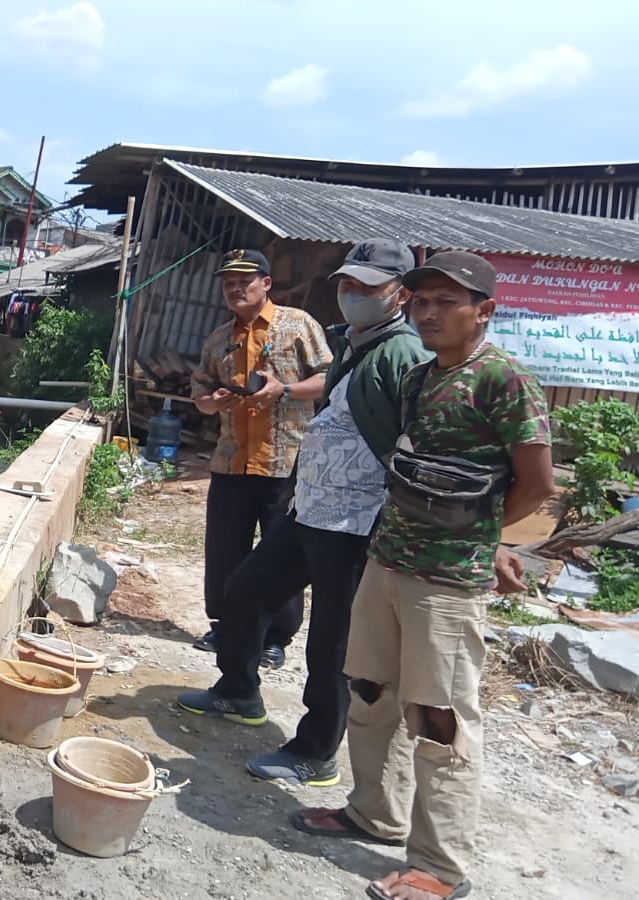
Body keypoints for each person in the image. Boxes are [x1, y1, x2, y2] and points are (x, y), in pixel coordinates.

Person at [290, 251, 555, 900]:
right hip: (387, 561)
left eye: (447, 302)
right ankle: (373, 812)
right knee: (372, 694)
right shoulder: (418, 376)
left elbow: (537, 486)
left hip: (447, 586)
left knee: (439, 721)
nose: (429, 312)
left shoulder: (504, 381)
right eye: (421, 300)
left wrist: (484, 540)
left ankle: (439, 868)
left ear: (483, 312)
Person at [177, 240, 431, 788]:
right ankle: (238, 691)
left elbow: (413, 443)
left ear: (400, 295)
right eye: (346, 284)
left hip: (355, 520)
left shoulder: (401, 354)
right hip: (311, 506)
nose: (351, 296)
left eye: (367, 288)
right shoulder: (356, 344)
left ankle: (316, 751)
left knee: (333, 641)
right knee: (244, 585)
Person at [190, 249, 331, 664]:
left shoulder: (298, 325)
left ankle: (275, 637)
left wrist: (283, 390)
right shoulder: (218, 338)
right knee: (223, 552)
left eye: (244, 281)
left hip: (284, 465)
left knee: (281, 554)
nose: (235, 289)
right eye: (228, 283)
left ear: (266, 284)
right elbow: (199, 391)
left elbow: (329, 378)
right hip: (231, 461)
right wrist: (212, 403)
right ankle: (225, 627)